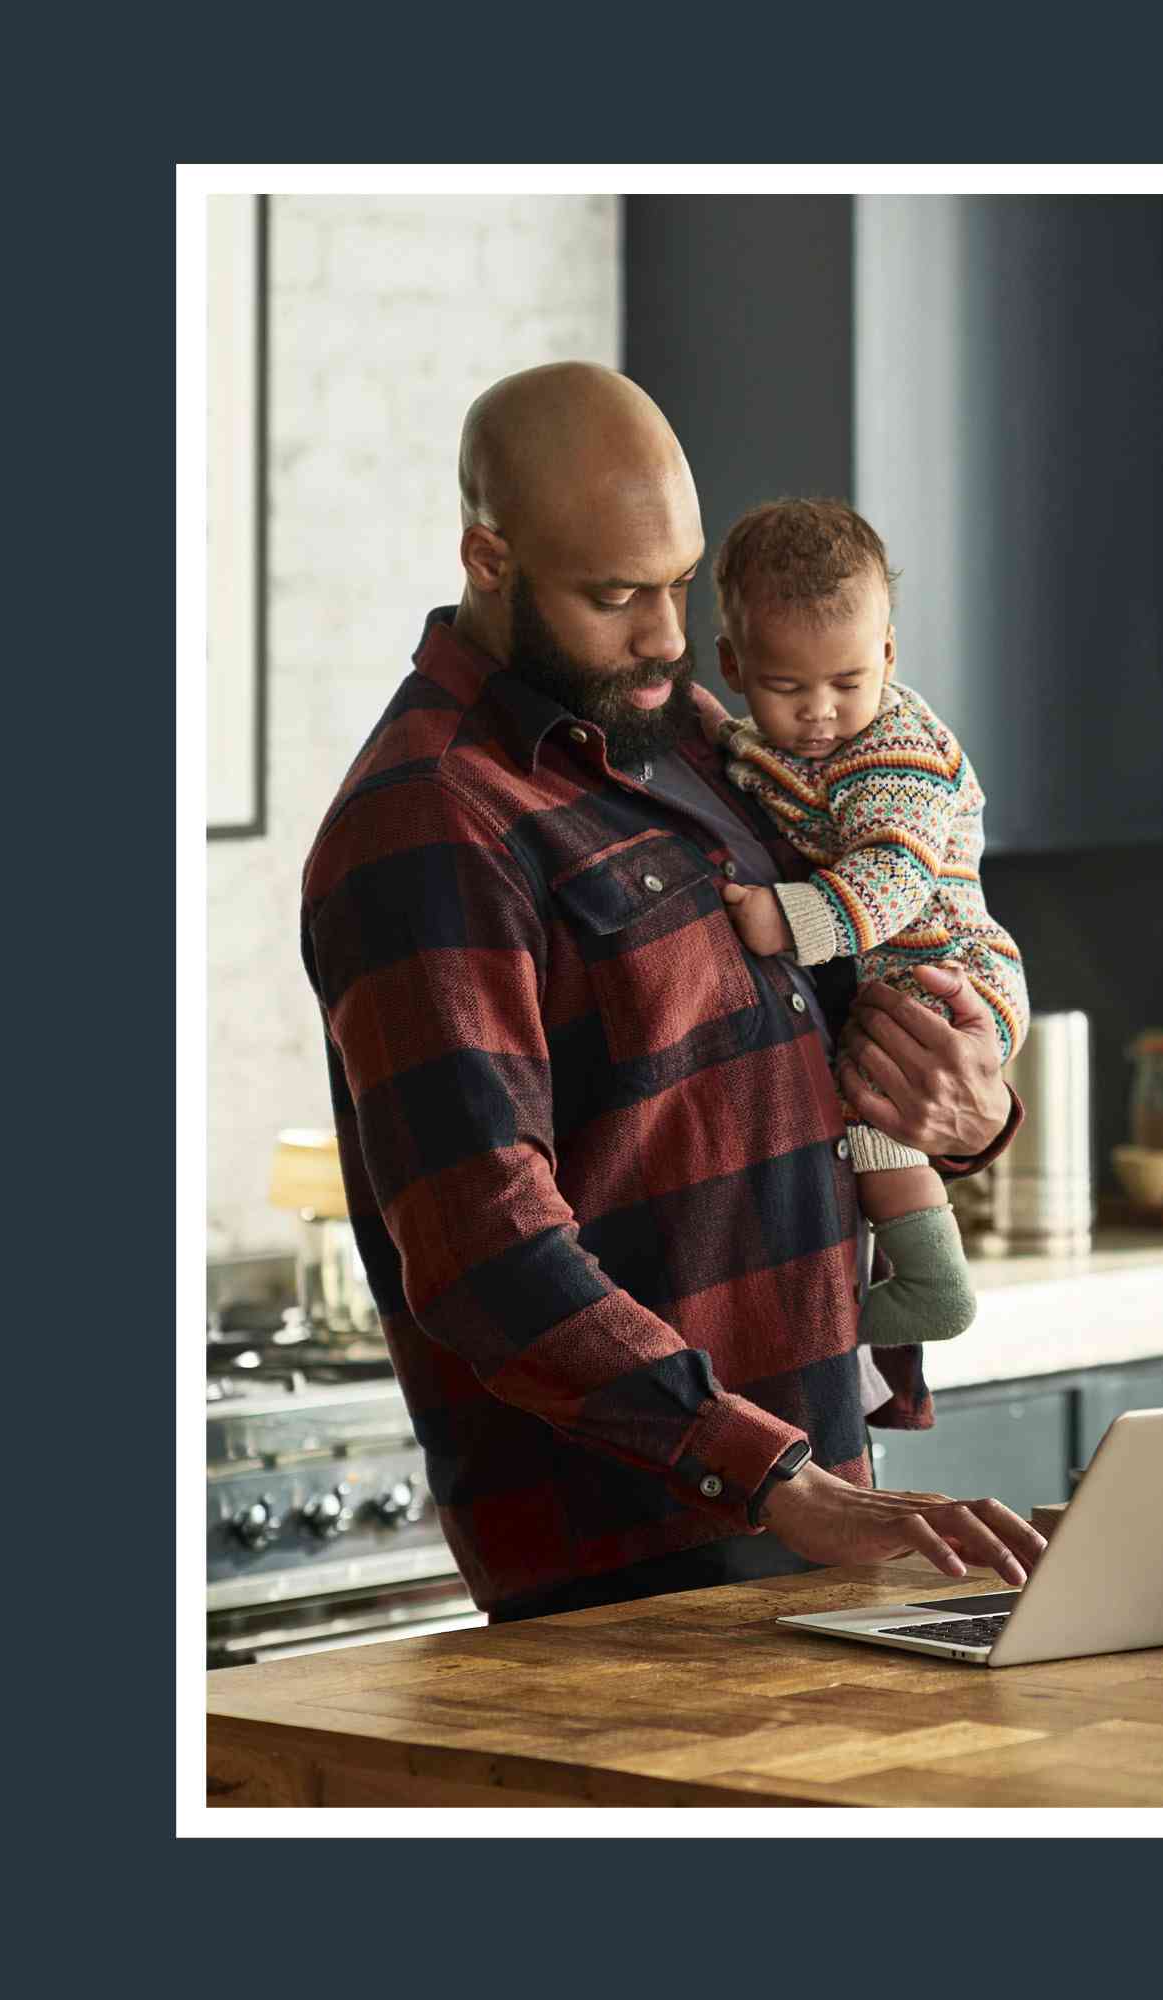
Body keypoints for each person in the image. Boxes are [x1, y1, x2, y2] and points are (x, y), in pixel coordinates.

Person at [297, 363, 1048, 1623]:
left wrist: (969, 1110)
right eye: (614, 596)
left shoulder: (688, 734)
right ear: (488, 556)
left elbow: (832, 1012)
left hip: (815, 1498)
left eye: (680, 585)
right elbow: (487, 1250)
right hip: (631, 1555)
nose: (663, 636)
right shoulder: (429, 822)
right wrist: (777, 1476)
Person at [685, 497, 1028, 1350]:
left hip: (947, 967)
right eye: (785, 686)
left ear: (887, 654)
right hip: (890, 966)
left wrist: (784, 919)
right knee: (862, 1099)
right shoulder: (769, 746)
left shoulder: (894, 750)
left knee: (873, 1099)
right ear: (732, 663)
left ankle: (933, 1284)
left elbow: (897, 874)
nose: (821, 712)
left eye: (847, 682)